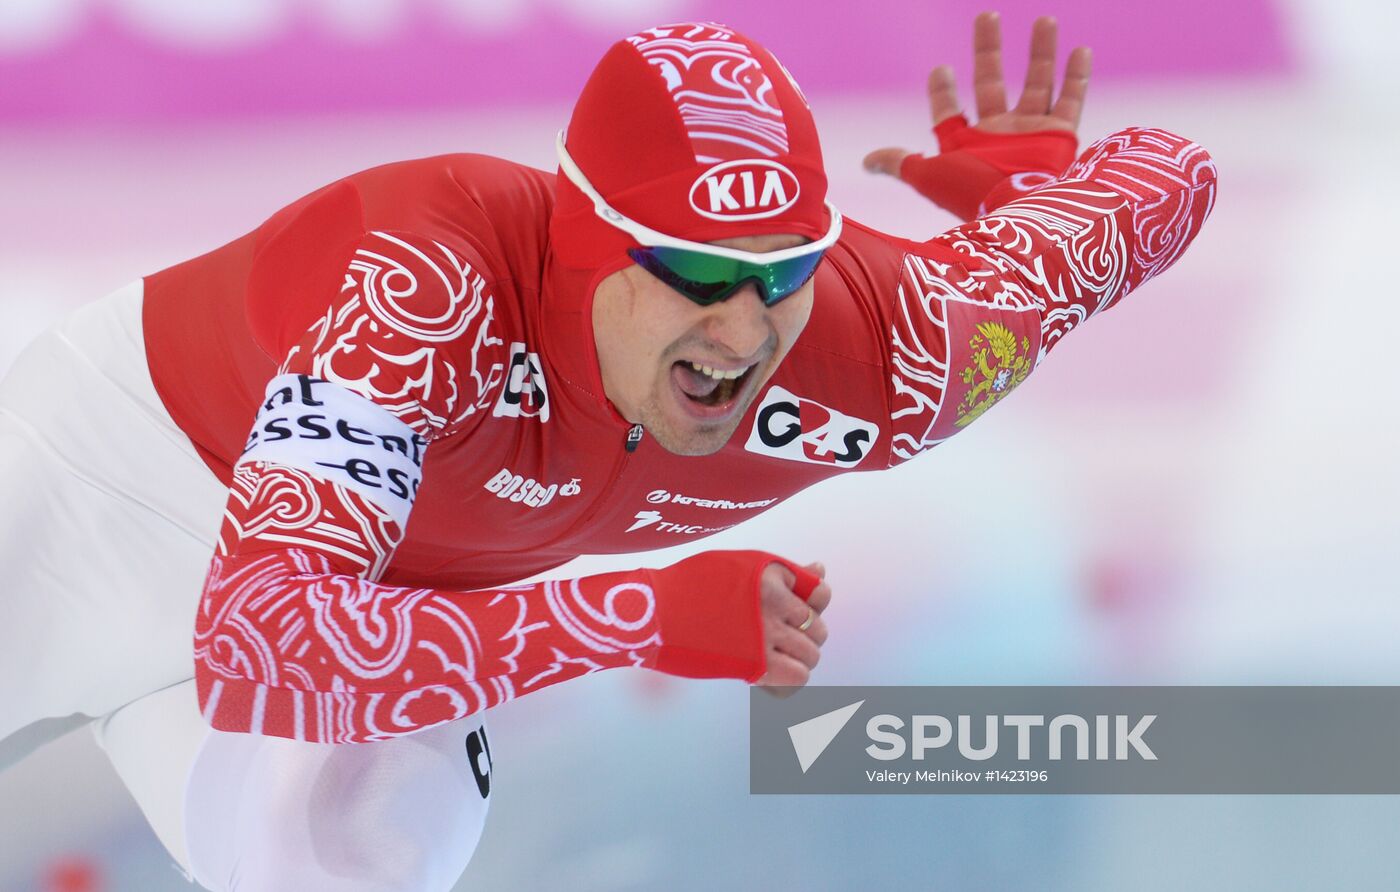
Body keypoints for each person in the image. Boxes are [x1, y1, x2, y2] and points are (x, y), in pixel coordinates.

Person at [0, 12, 1215, 891]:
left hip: (380, 597)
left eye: (783, 270)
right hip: (95, 488)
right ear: (588, 243)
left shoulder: (894, 354)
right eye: (691, 271)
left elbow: (1172, 172)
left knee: (353, 863)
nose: (743, 331)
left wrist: (1018, 213)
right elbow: (264, 633)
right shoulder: (429, 284)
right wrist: (636, 614)